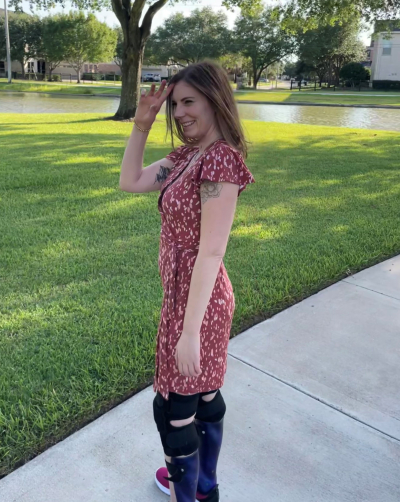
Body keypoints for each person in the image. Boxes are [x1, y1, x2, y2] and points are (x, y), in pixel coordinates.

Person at [119, 61, 255, 502]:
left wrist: (190, 331)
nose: (179, 113)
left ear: (215, 100)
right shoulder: (186, 156)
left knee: (174, 410)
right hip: (184, 295)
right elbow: (130, 181)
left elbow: (212, 251)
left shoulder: (219, 159)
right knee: (204, 394)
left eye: (189, 102)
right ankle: (201, 485)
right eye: (175, 104)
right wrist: (142, 124)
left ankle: (194, 491)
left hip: (199, 302)